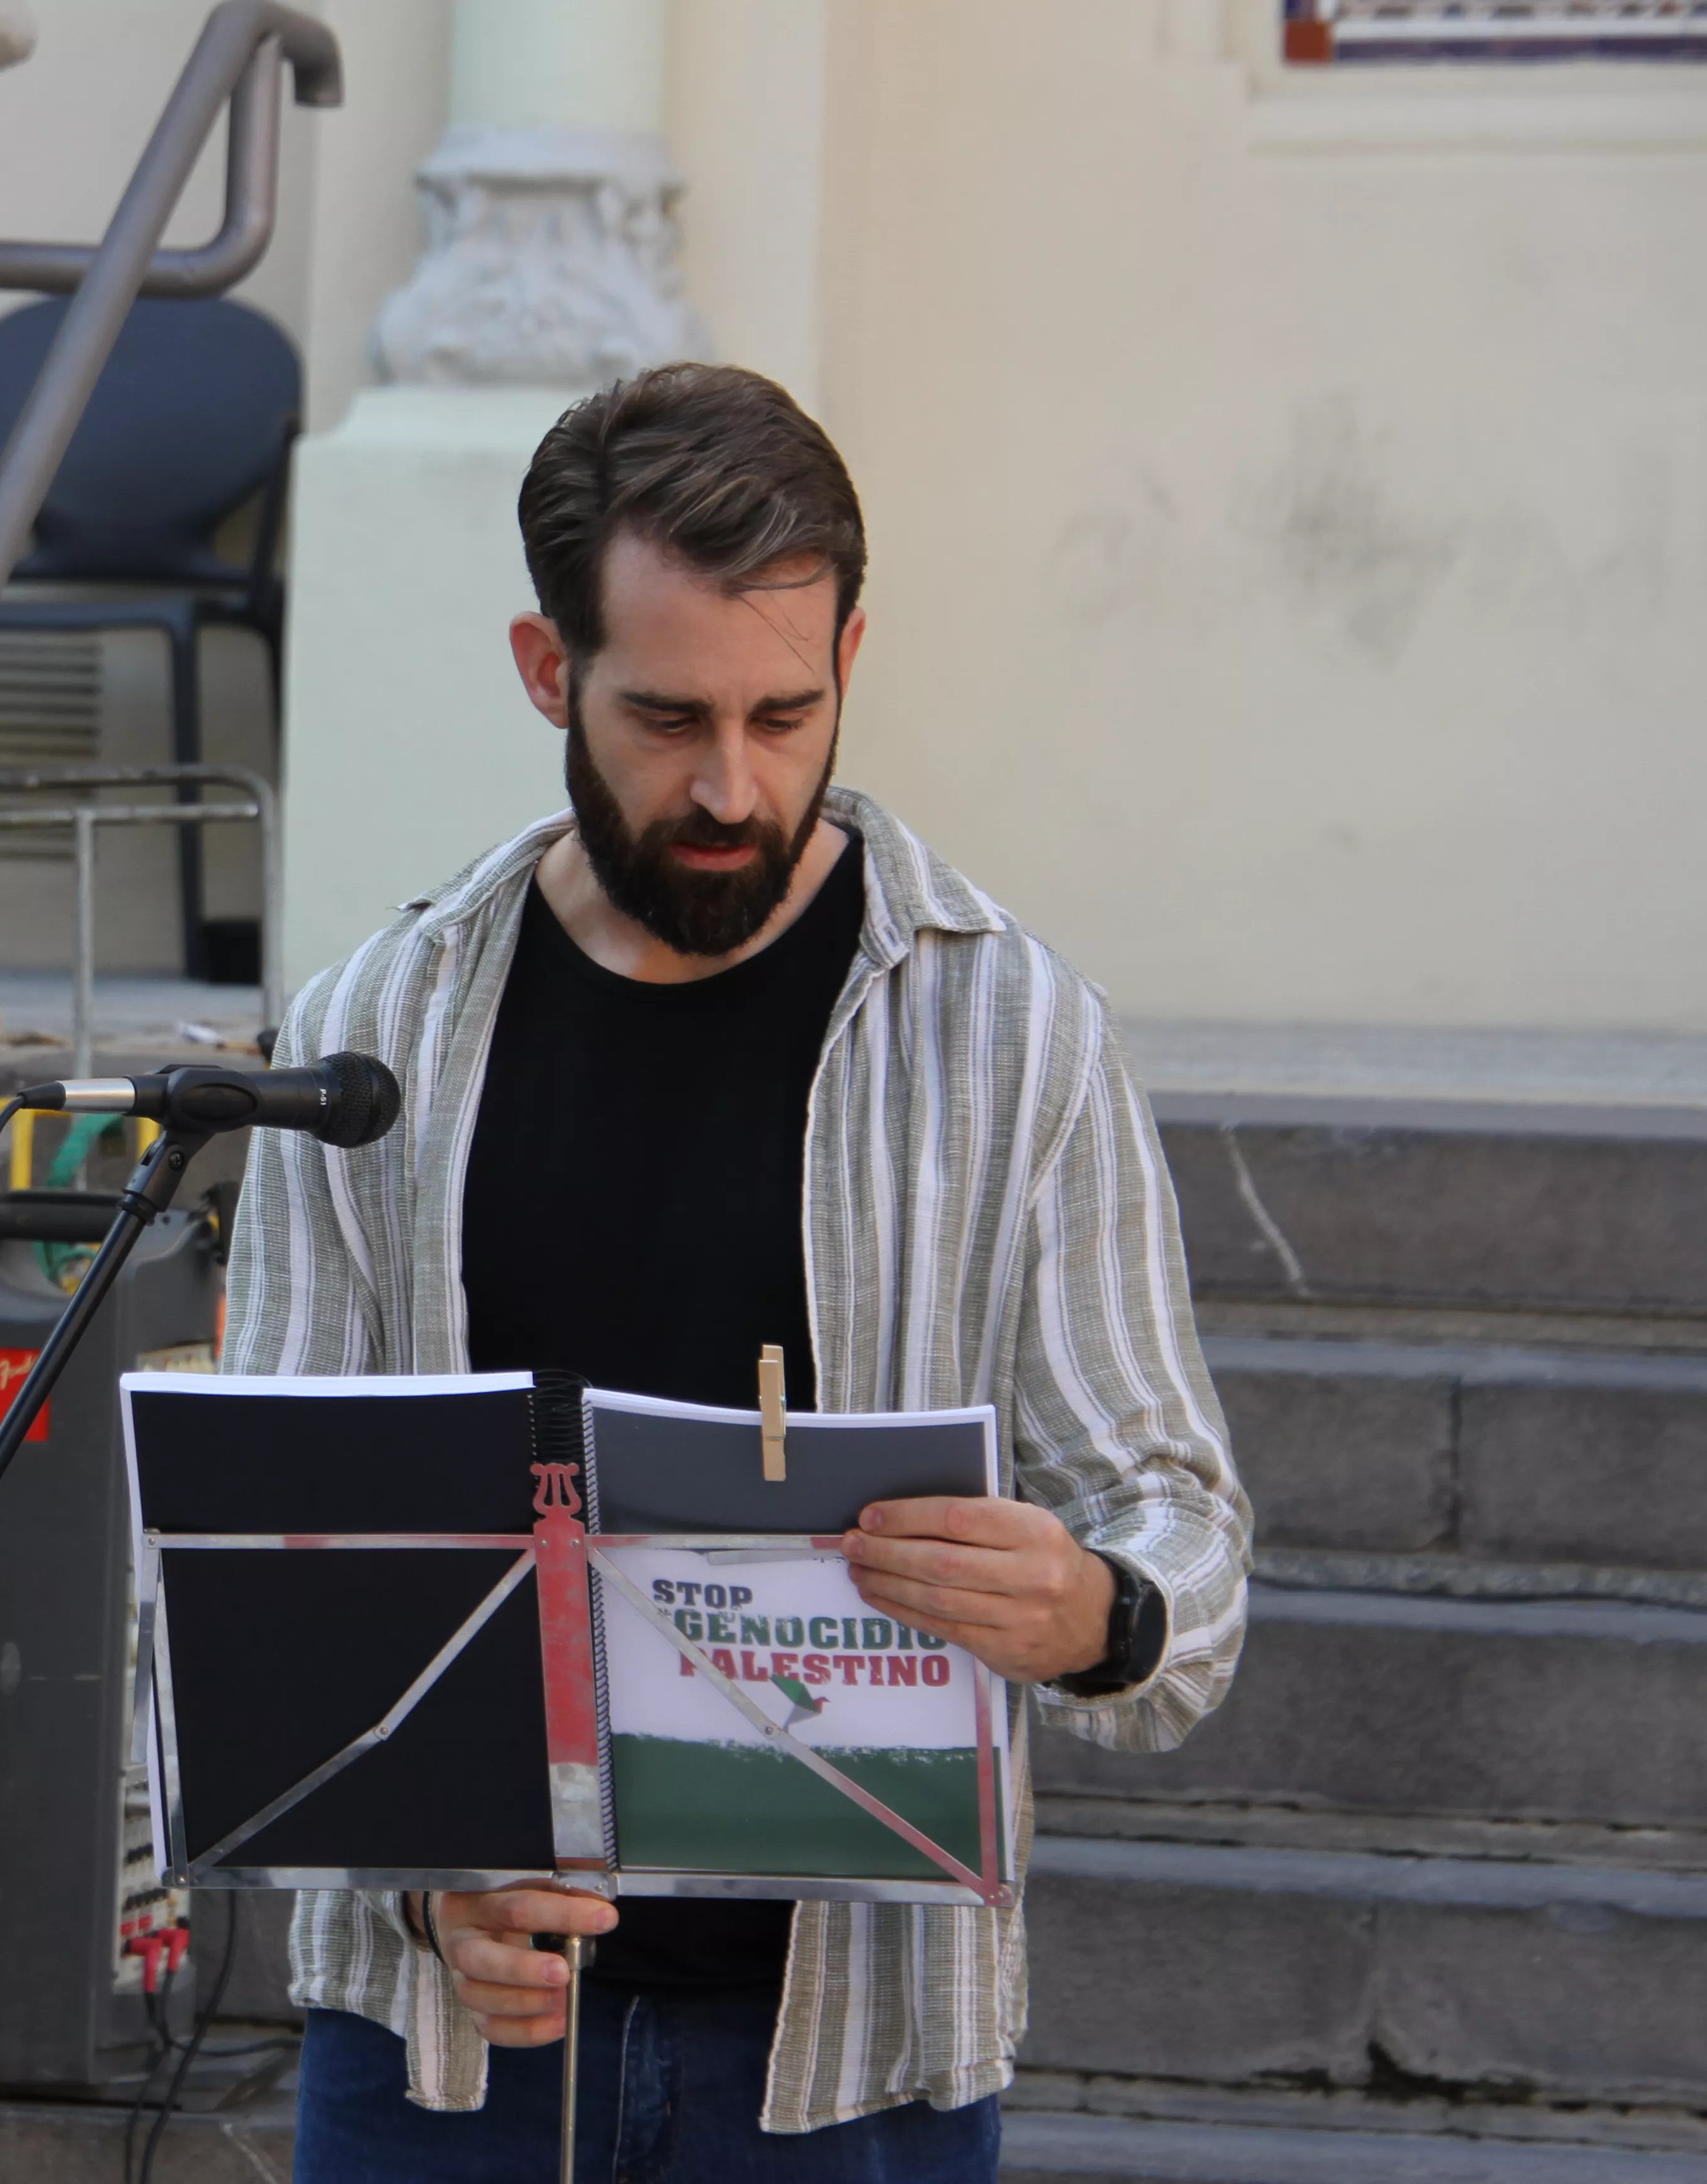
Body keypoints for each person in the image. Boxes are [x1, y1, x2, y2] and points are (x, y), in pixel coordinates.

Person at [225, 362, 1253, 2180]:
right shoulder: (377, 1028)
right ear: (547, 669)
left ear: (852, 653)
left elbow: (1179, 1524)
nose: (731, 783)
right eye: (666, 715)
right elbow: (266, 1545)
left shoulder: (1013, 1033)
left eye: (788, 714)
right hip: (446, 2047)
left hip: (855, 2051)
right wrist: (417, 1880)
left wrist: (1102, 1608)